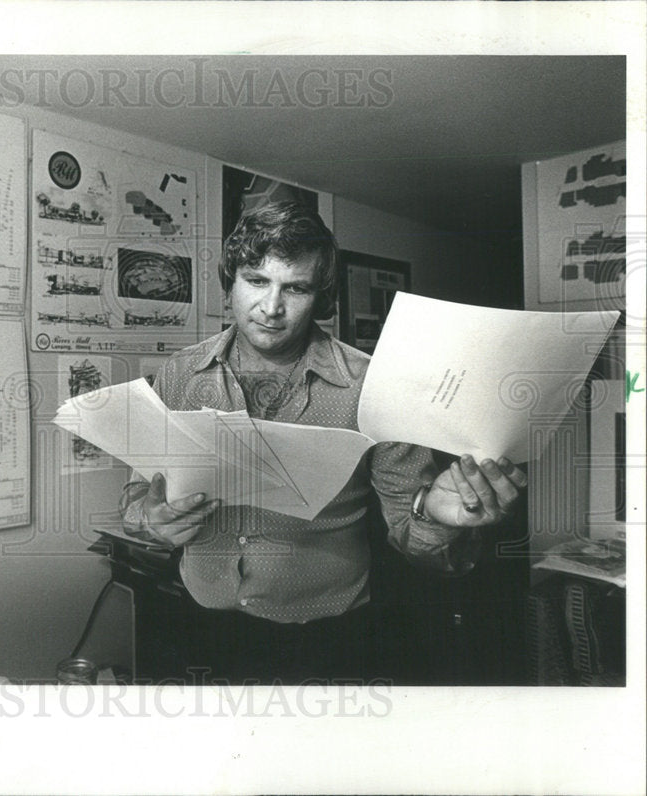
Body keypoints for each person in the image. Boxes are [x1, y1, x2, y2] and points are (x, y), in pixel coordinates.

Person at [119, 201, 527, 684]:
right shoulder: (179, 373)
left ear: (321, 296)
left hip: (326, 642)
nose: (272, 308)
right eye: (256, 280)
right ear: (230, 281)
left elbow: (411, 535)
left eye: (295, 288)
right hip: (197, 622)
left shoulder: (374, 386)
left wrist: (436, 516)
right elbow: (137, 496)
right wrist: (151, 518)